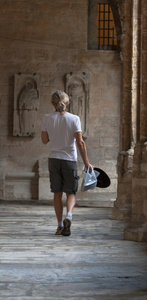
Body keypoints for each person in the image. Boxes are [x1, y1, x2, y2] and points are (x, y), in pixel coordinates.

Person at [41, 90, 93, 236]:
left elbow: (44, 141)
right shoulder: (74, 118)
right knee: (70, 192)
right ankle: (68, 216)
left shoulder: (47, 118)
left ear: (52, 103)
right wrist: (87, 163)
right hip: (69, 159)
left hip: (54, 159)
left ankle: (59, 226)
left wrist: (54, 134)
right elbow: (80, 143)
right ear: (67, 102)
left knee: (57, 193)